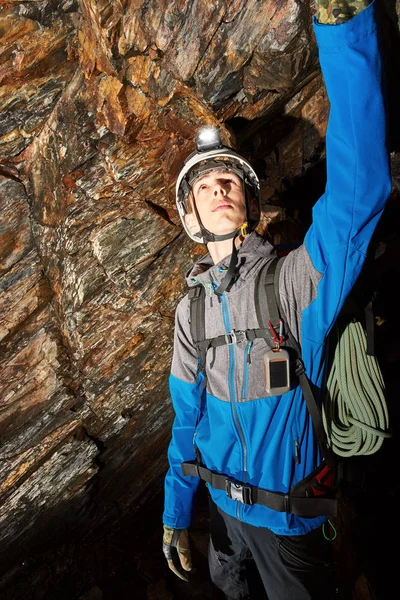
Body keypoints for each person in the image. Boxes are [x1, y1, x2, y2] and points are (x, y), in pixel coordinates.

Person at [162, 1, 392, 598]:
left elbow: (359, 190)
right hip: (223, 520)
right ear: (190, 219)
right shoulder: (191, 312)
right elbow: (187, 421)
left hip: (292, 529)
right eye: (205, 186)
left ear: (249, 203)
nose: (220, 189)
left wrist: (344, 32)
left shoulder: (291, 282)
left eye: (230, 180)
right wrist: (176, 512)